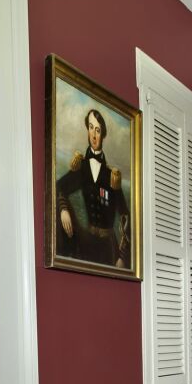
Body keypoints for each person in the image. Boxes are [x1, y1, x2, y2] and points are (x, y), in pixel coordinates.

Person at [56, 109, 130, 268]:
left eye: (98, 130)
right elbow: (59, 187)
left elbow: (125, 215)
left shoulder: (111, 175)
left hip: (108, 247)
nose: (94, 135)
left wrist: (123, 256)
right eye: (90, 128)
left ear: (103, 134)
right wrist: (63, 209)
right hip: (88, 243)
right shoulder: (82, 166)